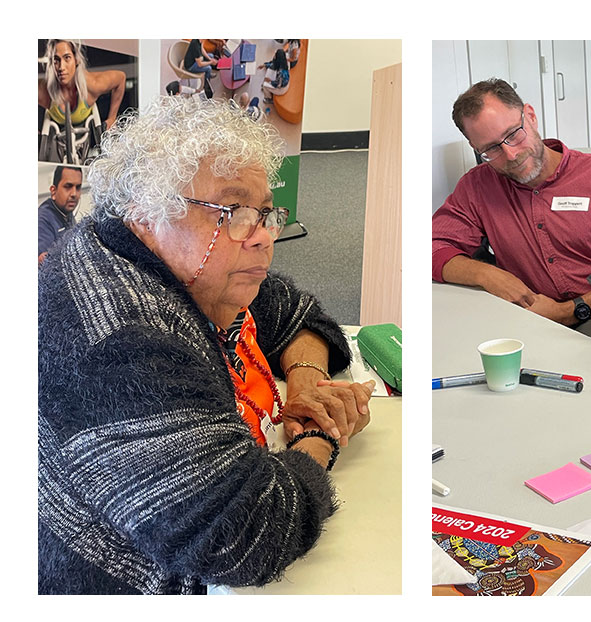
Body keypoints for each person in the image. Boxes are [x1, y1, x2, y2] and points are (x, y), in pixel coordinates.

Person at [39, 95, 377, 594]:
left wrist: (309, 384)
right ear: (148, 212)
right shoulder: (124, 343)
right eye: (234, 211)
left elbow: (296, 312)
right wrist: (321, 436)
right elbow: (244, 539)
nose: (263, 236)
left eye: (265, 213)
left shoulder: (164, 262)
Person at [432, 79, 591, 354]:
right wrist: (487, 274)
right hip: (526, 309)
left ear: (530, 116)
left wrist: (566, 311)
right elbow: (433, 248)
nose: (511, 154)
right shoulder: (478, 186)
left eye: (513, 134)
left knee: (575, 369)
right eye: (491, 149)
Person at [39, 39, 126, 136]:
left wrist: (112, 118)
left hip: (86, 123)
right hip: (56, 126)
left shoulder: (93, 84)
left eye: (67, 58)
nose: (61, 67)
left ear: (76, 60)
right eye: (56, 60)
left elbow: (121, 78)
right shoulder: (44, 91)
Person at [38, 165, 83, 263]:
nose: (74, 194)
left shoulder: (66, 211)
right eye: (68, 186)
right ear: (53, 191)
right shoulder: (42, 220)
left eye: (78, 187)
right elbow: (45, 264)